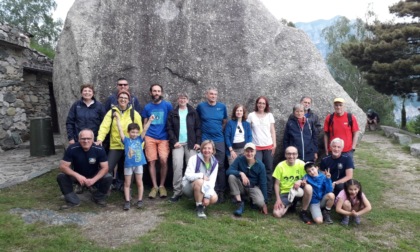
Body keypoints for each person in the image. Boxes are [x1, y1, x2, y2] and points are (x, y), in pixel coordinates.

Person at [96, 90, 143, 188]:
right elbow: (104, 126)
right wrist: (100, 139)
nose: (123, 99)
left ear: (128, 100)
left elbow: (140, 131)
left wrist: (139, 147)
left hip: (130, 146)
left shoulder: (134, 114)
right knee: (107, 168)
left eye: (125, 98)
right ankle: (104, 189)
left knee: (127, 168)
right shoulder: (112, 112)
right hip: (115, 145)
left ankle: (124, 187)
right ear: (117, 99)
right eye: (121, 97)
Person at [57, 129, 112, 209]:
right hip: (77, 175)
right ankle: (73, 201)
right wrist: (78, 176)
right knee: (61, 176)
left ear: (93, 140)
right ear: (79, 139)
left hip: (94, 175)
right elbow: (63, 166)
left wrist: (94, 179)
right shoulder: (72, 148)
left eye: (88, 138)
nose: (86, 141)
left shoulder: (99, 149)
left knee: (108, 177)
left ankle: (98, 197)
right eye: (83, 138)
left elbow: (105, 168)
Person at [166, 92, 201, 202]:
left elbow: (198, 128)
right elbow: (169, 128)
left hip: (191, 144)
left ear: (188, 100)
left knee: (193, 168)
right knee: (177, 166)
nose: (182, 100)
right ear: (178, 100)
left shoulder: (193, 112)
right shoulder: (173, 113)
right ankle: (177, 192)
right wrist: (174, 141)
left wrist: (198, 142)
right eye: (180, 98)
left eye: (184, 98)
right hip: (178, 144)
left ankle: (193, 191)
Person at [115, 113, 154, 210]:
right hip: (128, 165)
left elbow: (145, 129)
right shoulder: (126, 140)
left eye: (136, 132)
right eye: (132, 132)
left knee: (139, 182)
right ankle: (127, 201)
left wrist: (149, 120)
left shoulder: (140, 139)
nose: (135, 134)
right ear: (128, 132)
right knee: (127, 183)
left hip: (139, 164)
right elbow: (120, 129)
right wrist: (117, 118)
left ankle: (140, 200)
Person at [141, 84, 173, 199]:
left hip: (164, 137)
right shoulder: (147, 107)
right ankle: (154, 186)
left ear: (162, 93)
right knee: (152, 161)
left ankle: (162, 185)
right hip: (150, 136)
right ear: (150, 93)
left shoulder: (168, 106)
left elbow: (171, 121)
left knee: (164, 160)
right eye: (154, 91)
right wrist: (143, 137)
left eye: (158, 91)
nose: (156, 93)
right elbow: (144, 122)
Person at [196, 87, 228, 203]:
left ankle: (221, 192)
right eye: (211, 94)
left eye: (215, 94)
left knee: (220, 165)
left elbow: (224, 121)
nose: (213, 96)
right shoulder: (201, 107)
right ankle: (206, 190)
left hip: (219, 139)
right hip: (205, 139)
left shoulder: (222, 107)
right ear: (207, 95)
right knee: (205, 165)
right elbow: (197, 120)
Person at [226, 143, 268, 217]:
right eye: (247, 151)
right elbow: (228, 171)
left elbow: (263, 183)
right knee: (231, 177)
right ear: (244, 152)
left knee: (260, 203)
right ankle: (239, 204)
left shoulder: (260, 165)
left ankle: (250, 199)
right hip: (241, 185)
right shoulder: (239, 159)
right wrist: (241, 173)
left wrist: (265, 203)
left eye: (251, 151)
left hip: (253, 187)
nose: (249, 153)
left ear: (255, 152)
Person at [272, 146, 312, 224]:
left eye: (294, 154)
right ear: (285, 155)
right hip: (286, 193)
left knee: (309, 188)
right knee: (277, 214)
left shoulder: (301, 164)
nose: (291, 156)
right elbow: (276, 184)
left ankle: (303, 211)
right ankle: (290, 204)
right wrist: (278, 199)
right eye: (289, 154)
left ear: (297, 155)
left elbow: (308, 178)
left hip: (299, 191)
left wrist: (300, 181)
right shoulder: (280, 166)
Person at [247, 96, 276, 199]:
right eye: (259, 103)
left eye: (263, 103)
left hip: (268, 146)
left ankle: (268, 193)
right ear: (256, 104)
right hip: (256, 147)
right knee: (257, 169)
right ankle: (257, 193)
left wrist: (274, 144)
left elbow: (272, 130)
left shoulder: (269, 115)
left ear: (266, 105)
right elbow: (248, 130)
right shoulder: (251, 115)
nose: (261, 105)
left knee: (268, 169)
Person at [182, 140, 219, 218]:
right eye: (204, 148)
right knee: (200, 181)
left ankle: (201, 204)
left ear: (213, 150)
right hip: (188, 186)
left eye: (209, 148)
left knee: (214, 198)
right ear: (201, 149)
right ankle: (199, 208)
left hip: (205, 186)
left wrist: (207, 197)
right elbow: (187, 175)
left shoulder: (215, 163)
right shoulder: (194, 158)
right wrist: (201, 175)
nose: (207, 150)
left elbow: (212, 181)